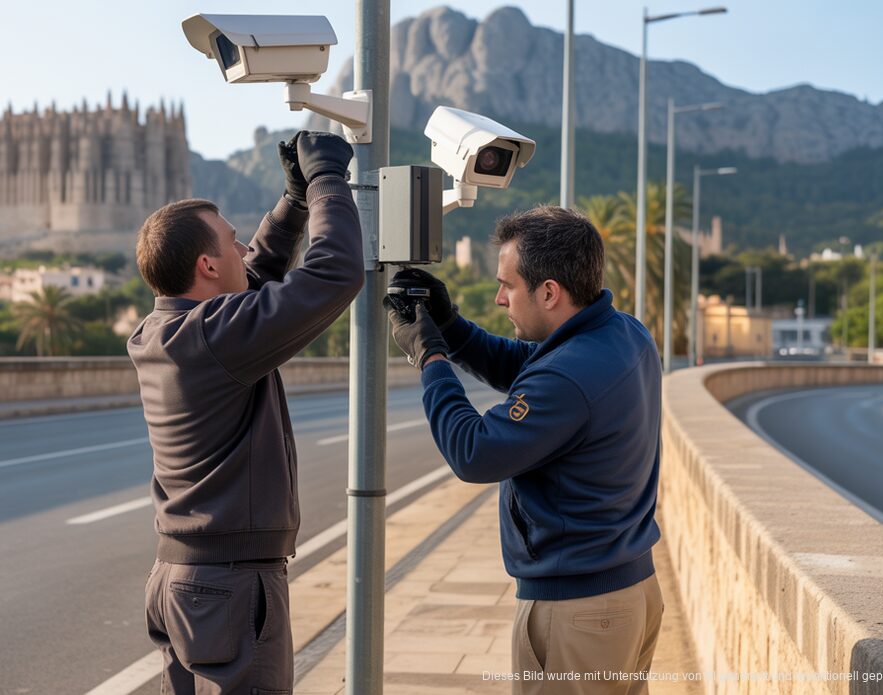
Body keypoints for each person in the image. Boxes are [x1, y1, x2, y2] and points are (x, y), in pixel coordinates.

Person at [385, 205, 663, 694]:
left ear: (549, 292)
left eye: (507, 286)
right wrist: (450, 325)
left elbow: (474, 452)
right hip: (630, 591)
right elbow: (529, 366)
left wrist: (430, 357)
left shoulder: (569, 376)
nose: (499, 299)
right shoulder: (624, 334)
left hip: (578, 612)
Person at [128, 130, 362, 695]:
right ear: (207, 265)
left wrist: (292, 203)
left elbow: (253, 277)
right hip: (227, 588)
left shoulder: (163, 331)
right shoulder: (215, 336)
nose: (242, 251)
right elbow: (335, 273)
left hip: (182, 580)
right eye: (232, 243)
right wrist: (328, 179)